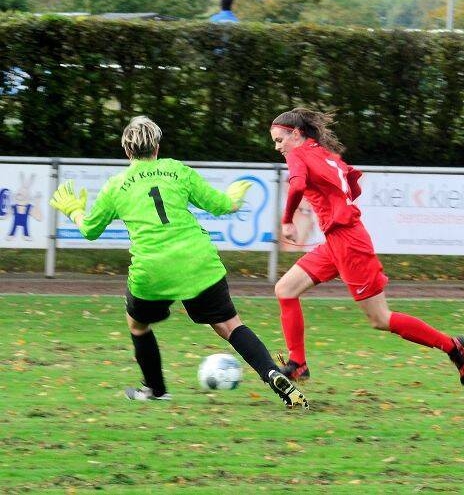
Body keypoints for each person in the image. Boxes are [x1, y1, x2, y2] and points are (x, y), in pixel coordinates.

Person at [49, 116, 308, 409]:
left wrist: (74, 211)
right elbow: (221, 206)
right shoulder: (177, 170)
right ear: (157, 147)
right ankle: (272, 373)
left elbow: (89, 230)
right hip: (197, 262)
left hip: (152, 270)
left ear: (127, 151)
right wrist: (234, 197)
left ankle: (156, 389)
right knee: (229, 325)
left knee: (138, 325)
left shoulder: (116, 186)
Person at [269, 107, 464, 386]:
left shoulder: (298, 154)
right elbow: (353, 184)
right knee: (285, 290)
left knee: (380, 318)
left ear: (296, 134)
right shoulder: (325, 154)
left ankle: (452, 346)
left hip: (348, 244)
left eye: (280, 140)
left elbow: (297, 185)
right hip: (337, 241)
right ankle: (298, 364)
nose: (278, 147)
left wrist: (287, 220)